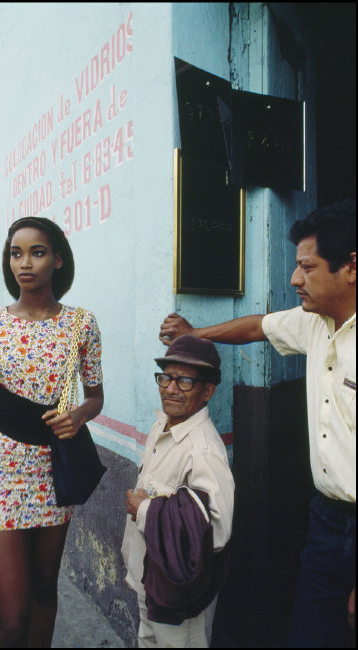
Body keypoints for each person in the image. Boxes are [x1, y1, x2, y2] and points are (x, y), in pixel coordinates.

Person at [159, 199, 356, 648]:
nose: (294, 279)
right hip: (326, 523)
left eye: (307, 267)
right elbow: (257, 327)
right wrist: (195, 335)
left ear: (351, 267)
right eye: (295, 266)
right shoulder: (314, 323)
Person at [0, 216, 104, 648]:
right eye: (16, 254)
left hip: (53, 469)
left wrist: (79, 415)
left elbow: (95, 396)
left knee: (44, 587)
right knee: (12, 618)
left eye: (37, 252)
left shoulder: (81, 324)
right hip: (1, 468)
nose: (25, 263)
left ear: (58, 259)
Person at [121, 335, 234, 648]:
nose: (171, 388)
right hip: (150, 582)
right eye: (166, 378)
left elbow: (217, 531)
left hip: (180, 594)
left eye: (185, 381)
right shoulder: (162, 426)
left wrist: (145, 510)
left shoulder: (203, 450)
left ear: (207, 391)